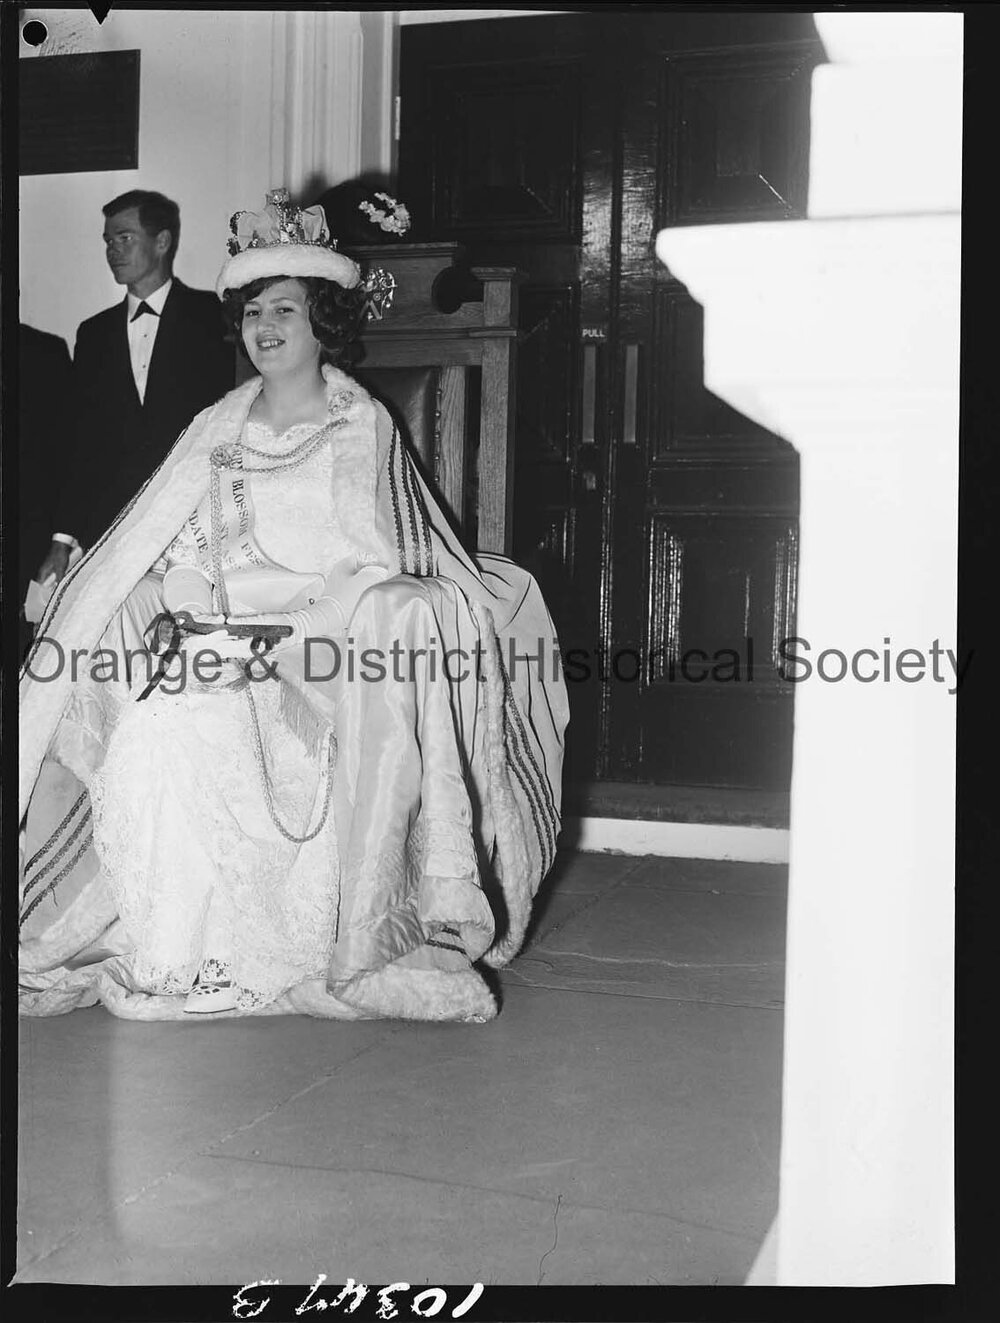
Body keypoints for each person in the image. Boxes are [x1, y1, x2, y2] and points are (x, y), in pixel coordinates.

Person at [19, 189, 567, 1023]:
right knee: (159, 724)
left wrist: (283, 635)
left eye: (285, 307)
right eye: (251, 310)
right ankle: (183, 952)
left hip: (327, 657)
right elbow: (172, 549)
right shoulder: (217, 424)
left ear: (324, 322)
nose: (263, 324)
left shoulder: (360, 425)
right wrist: (194, 603)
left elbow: (380, 565)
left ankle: (306, 943)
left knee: (249, 697)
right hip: (221, 643)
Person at [36, 189, 234, 588]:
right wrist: (62, 540)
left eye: (125, 237)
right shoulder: (93, 333)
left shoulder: (214, 317)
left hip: (194, 519)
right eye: (108, 241)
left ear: (162, 242)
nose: (113, 250)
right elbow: (83, 443)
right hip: (113, 525)